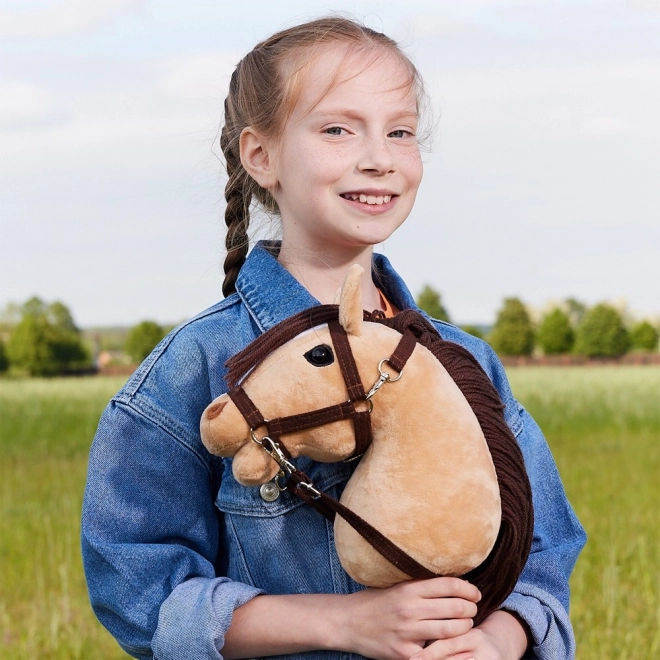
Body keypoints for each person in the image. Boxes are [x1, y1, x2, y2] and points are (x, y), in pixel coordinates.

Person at [82, 17, 586, 660]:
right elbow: (137, 589)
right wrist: (341, 623)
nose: (377, 156)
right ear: (260, 156)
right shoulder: (192, 369)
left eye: (399, 131)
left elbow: (544, 553)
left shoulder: (463, 363)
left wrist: (496, 640)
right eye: (338, 129)